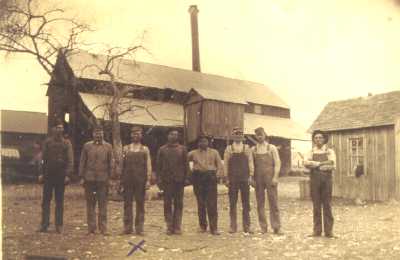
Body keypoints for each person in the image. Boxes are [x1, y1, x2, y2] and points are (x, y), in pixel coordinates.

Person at [38, 121, 73, 233]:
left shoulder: (66, 143)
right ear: (53, 129)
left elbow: (70, 160)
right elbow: (42, 159)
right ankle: (44, 224)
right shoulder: (47, 142)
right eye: (58, 128)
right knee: (46, 201)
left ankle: (59, 225)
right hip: (48, 175)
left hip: (60, 176)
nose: (60, 130)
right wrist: (41, 173)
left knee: (59, 201)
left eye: (62, 128)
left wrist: (67, 174)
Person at [79, 126, 114, 236]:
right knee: (90, 204)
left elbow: (111, 163)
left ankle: (103, 228)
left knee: (103, 204)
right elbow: (82, 162)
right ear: (93, 134)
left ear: (103, 134)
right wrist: (82, 177)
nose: (98, 135)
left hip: (103, 179)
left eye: (100, 133)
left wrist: (110, 178)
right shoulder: (87, 146)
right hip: (89, 179)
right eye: (96, 133)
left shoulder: (108, 146)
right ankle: (91, 228)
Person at [188, 135, 223, 235]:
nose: (203, 143)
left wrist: (218, 176)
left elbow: (220, 165)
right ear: (198, 143)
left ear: (208, 142)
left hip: (210, 177)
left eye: (205, 141)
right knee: (201, 203)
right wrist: (190, 172)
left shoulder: (214, 152)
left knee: (212, 203)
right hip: (198, 178)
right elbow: (184, 161)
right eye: (201, 141)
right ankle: (202, 226)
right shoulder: (192, 153)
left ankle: (214, 228)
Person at [156, 128, 189, 235]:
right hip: (167, 181)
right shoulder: (162, 149)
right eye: (171, 134)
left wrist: (186, 178)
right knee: (167, 204)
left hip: (179, 181)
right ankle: (169, 226)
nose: (174, 136)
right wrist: (159, 180)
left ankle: (177, 226)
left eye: (176, 135)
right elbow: (158, 166)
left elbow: (186, 165)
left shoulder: (182, 149)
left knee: (179, 204)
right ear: (168, 136)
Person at [304, 130, 336, 238]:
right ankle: (317, 231)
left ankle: (329, 231)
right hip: (314, 180)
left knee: (327, 205)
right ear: (313, 139)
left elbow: (332, 165)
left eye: (320, 137)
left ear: (324, 139)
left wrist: (315, 165)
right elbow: (306, 163)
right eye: (316, 138)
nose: (318, 139)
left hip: (327, 180)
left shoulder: (329, 151)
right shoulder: (311, 152)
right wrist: (320, 164)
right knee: (316, 205)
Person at [121, 126, 152, 235]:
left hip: (140, 180)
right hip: (128, 180)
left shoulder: (145, 149)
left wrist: (148, 180)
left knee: (140, 204)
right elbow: (122, 166)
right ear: (131, 135)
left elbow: (148, 165)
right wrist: (121, 180)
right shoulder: (126, 148)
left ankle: (139, 228)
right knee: (127, 204)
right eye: (134, 134)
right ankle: (127, 227)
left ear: (141, 136)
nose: (136, 136)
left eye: (138, 134)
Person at [223, 127, 254, 234]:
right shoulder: (229, 148)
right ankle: (233, 226)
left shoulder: (246, 148)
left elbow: (250, 162)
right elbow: (225, 164)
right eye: (236, 134)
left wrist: (250, 176)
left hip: (244, 178)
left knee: (246, 203)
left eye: (240, 134)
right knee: (232, 203)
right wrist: (226, 178)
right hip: (233, 179)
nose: (238, 136)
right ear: (233, 136)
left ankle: (247, 226)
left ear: (242, 136)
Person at [252, 127, 282, 235]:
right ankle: (263, 227)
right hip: (258, 178)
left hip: (270, 176)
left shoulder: (271, 147)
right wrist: (252, 179)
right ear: (255, 136)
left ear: (265, 135)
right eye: (257, 135)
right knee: (260, 202)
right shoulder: (253, 149)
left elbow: (278, 163)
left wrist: (275, 177)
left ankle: (276, 227)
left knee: (273, 202)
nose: (259, 137)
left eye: (261, 134)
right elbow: (251, 166)